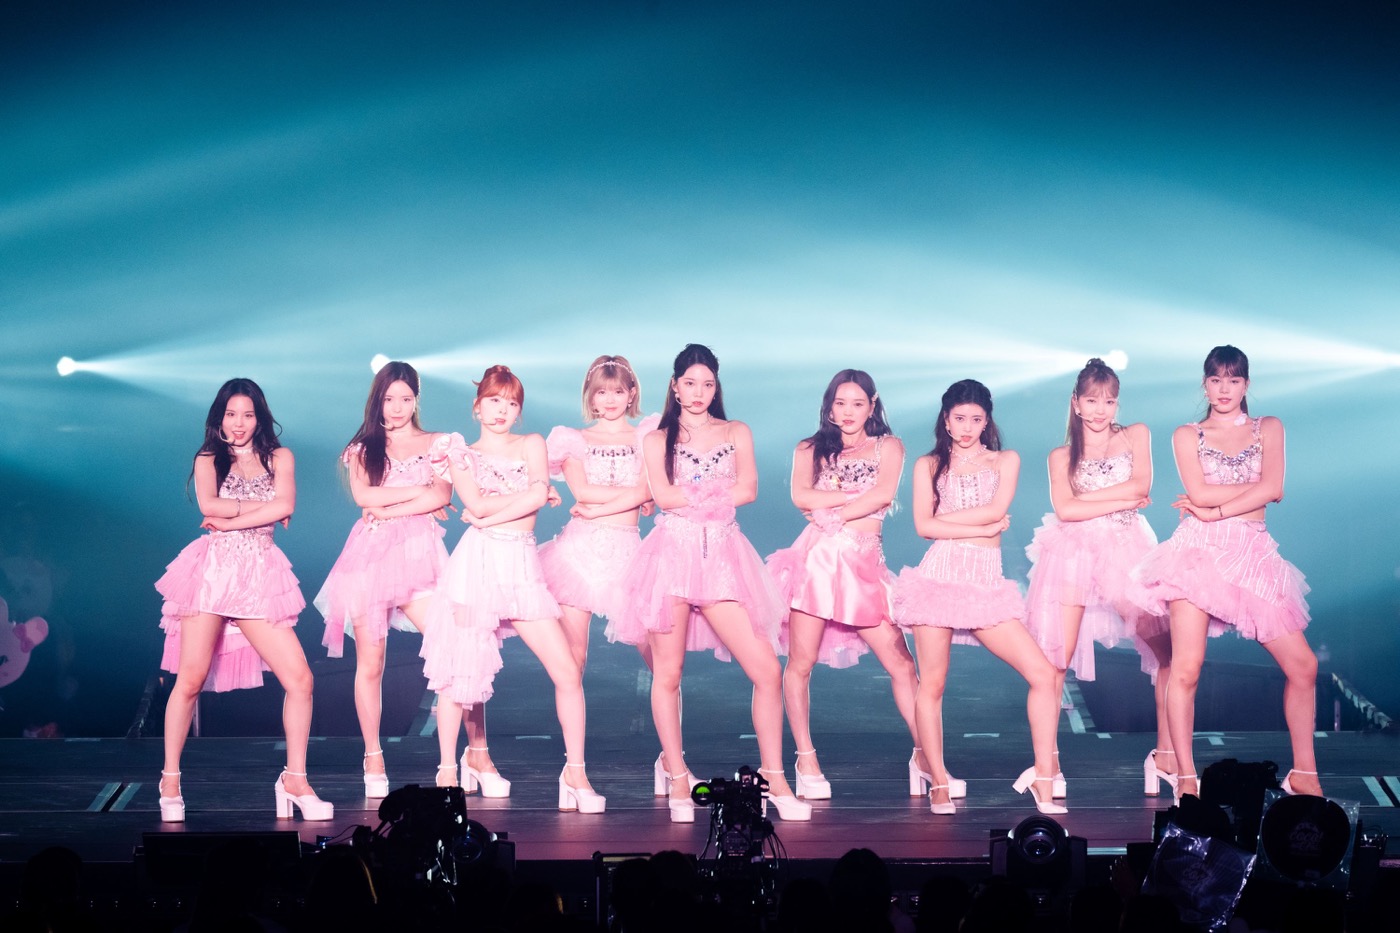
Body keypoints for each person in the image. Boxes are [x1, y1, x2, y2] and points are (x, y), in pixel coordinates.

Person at [612, 343, 810, 822]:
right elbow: (663, 498)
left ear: (715, 387)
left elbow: (749, 489)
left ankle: (773, 778)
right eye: (690, 383)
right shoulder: (657, 438)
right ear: (675, 387)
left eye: (707, 383)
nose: (698, 391)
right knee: (669, 673)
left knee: (767, 670)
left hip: (723, 558)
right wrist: (711, 495)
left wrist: (696, 496)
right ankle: (677, 775)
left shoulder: (735, 430)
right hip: (672, 558)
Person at [1131, 346, 1319, 800]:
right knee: (1187, 668)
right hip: (1197, 553)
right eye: (1216, 380)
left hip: (1252, 553)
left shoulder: (1268, 427)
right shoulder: (1187, 434)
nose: (1224, 389)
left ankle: (1304, 774)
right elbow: (1202, 491)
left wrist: (1216, 509)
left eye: (1233, 380)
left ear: (1246, 384)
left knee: (1304, 666)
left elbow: (1274, 486)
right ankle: (1185, 777)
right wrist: (1252, 493)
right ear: (1205, 384)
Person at [420, 365, 604, 813]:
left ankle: (575, 773)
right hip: (477, 566)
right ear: (477, 406)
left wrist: (492, 514)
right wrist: (512, 503)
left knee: (567, 671)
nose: (502, 410)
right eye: (494, 400)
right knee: (458, 673)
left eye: (511, 402)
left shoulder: (531, 443)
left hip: (521, 566)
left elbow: (530, 498)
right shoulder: (459, 453)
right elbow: (479, 502)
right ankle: (448, 772)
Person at [155, 378, 332, 822]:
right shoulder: (207, 459)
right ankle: (170, 779)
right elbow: (209, 505)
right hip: (212, 574)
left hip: (259, 576)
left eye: (248, 415)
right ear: (219, 418)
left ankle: (295, 780)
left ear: (260, 418)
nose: (239, 423)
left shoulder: (280, 457)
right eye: (231, 414)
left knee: (301, 680)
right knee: (190, 680)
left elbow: (285, 504)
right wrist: (257, 510)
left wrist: (232, 516)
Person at [314, 361, 492, 799]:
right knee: (370, 663)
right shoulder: (363, 448)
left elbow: (442, 494)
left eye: (405, 399)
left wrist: (389, 506)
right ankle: (373, 756)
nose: (396, 407)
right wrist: (416, 494)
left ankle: (475, 753)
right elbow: (363, 496)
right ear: (377, 401)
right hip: (369, 557)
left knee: (458, 647)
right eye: (389, 399)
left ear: (416, 400)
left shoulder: (438, 443)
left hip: (419, 555)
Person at [892, 379, 1062, 815]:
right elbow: (923, 526)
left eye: (976, 419)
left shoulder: (1005, 459)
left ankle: (1044, 778)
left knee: (1043, 675)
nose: (967, 427)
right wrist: (983, 527)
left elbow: (995, 510)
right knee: (932, 684)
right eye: (959, 418)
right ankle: (938, 780)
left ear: (987, 421)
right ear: (946, 421)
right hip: (938, 579)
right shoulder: (929, 464)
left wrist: (966, 522)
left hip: (985, 584)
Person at [765, 369, 932, 800]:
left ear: (872, 406)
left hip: (864, 564)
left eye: (858, 403)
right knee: (800, 663)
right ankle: (805, 758)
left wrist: (830, 509)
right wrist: (851, 500)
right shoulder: (810, 448)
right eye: (840, 403)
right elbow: (800, 497)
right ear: (829, 406)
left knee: (902, 665)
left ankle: (925, 756)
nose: (848, 412)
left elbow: (883, 494)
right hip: (817, 561)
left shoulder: (889, 446)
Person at [1023, 358, 1175, 798]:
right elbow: (1066, 510)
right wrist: (1122, 498)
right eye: (1091, 401)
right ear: (1076, 402)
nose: (1099, 410)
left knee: (1168, 652)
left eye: (1108, 402)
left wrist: (1093, 500)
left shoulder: (1136, 434)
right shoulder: (1060, 455)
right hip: (1072, 552)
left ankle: (1165, 757)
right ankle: (1048, 767)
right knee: (1055, 660)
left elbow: (1143, 486)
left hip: (1128, 548)